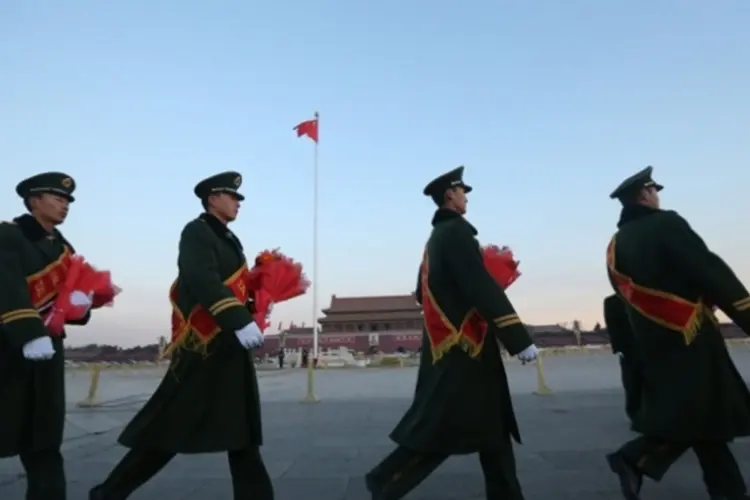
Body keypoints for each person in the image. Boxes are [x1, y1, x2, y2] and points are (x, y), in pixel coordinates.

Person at [89, 171, 273, 499]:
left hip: (228, 347)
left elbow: (234, 286)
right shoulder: (197, 232)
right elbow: (202, 279)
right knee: (168, 431)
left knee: (243, 436)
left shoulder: (230, 239)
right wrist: (237, 319)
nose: (237, 203)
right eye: (232, 196)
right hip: (204, 348)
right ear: (213, 198)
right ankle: (110, 492)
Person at [365, 166, 539, 500]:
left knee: (493, 431)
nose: (466, 197)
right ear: (449, 195)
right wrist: (518, 338)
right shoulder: (457, 234)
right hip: (465, 355)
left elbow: (422, 291)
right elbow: (479, 286)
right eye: (462, 191)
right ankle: (385, 480)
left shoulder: (434, 240)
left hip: (456, 348)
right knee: (440, 430)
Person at [605, 166, 750, 500]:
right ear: (645, 194)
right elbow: (708, 270)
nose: (657, 196)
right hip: (692, 340)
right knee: (701, 415)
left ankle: (729, 492)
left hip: (654, 344)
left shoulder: (615, 245)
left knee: (706, 424)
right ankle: (633, 457)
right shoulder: (667, 223)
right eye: (655, 190)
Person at [0, 172, 96, 500]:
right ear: (34, 200)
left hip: (48, 353)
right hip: (9, 350)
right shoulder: (8, 236)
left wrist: (81, 307)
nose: (64, 205)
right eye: (56, 198)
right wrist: (29, 332)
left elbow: (64, 300)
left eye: (67, 200)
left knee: (45, 440)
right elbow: (7, 286)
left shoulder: (64, 249)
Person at [603, 294, 643, 425]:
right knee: (632, 383)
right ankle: (635, 415)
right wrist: (619, 349)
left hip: (648, 348)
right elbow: (613, 327)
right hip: (629, 350)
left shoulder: (645, 298)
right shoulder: (612, 302)